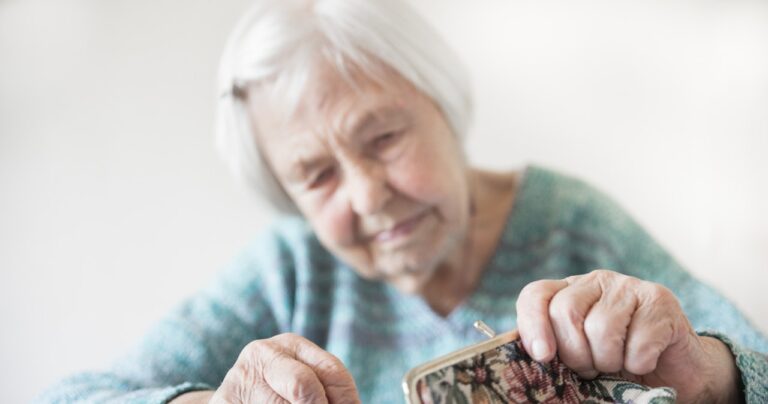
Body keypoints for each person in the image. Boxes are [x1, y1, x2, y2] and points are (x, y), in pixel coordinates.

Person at [38, 0, 768, 403]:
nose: (368, 194)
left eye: (383, 137)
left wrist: (705, 373)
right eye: (316, 175)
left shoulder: (570, 221)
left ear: (444, 108)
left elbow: (757, 366)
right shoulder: (291, 269)